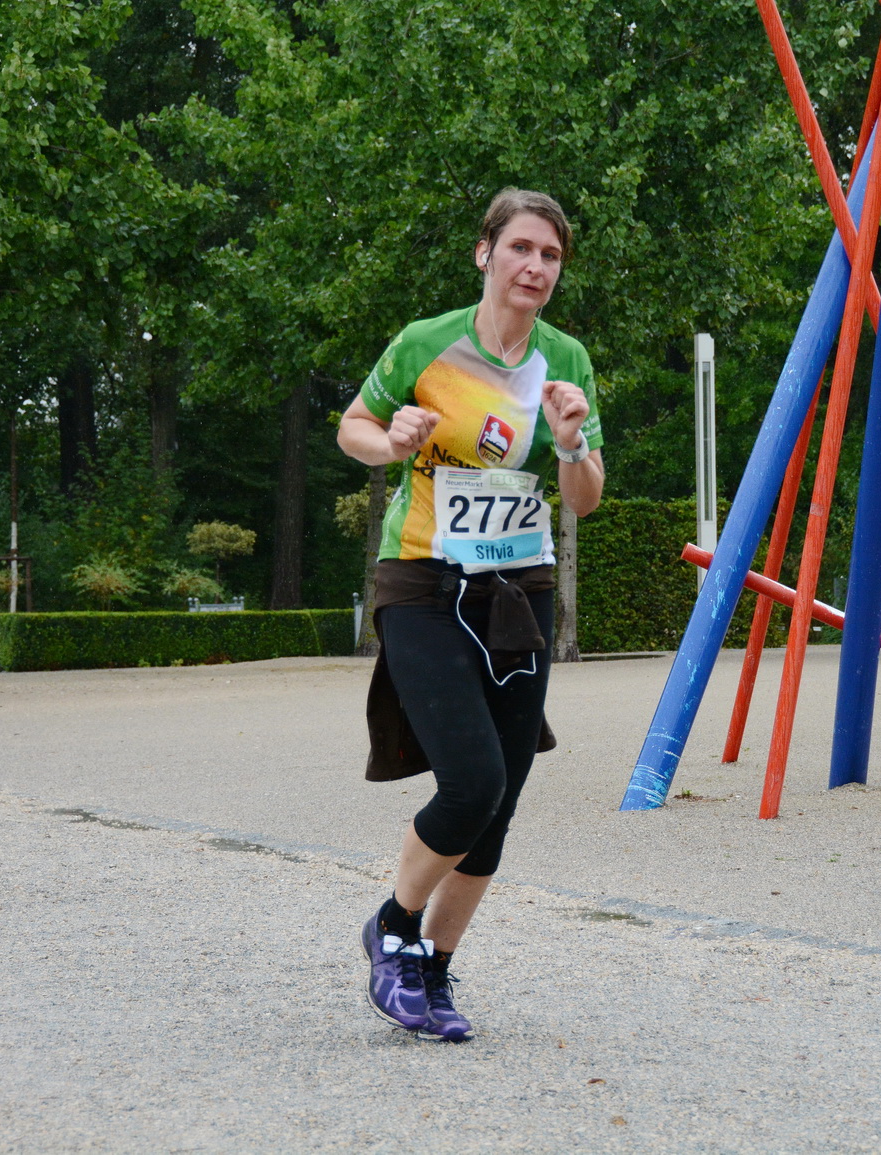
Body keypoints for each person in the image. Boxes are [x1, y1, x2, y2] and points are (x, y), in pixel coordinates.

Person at [335, 188, 604, 1042]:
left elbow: (585, 498)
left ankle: (432, 973)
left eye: (551, 256)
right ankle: (392, 927)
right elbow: (353, 427)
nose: (536, 267)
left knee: (502, 802)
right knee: (474, 780)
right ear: (484, 253)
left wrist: (570, 442)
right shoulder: (425, 341)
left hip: (517, 595)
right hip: (418, 581)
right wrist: (393, 441)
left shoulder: (567, 361)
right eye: (521, 248)